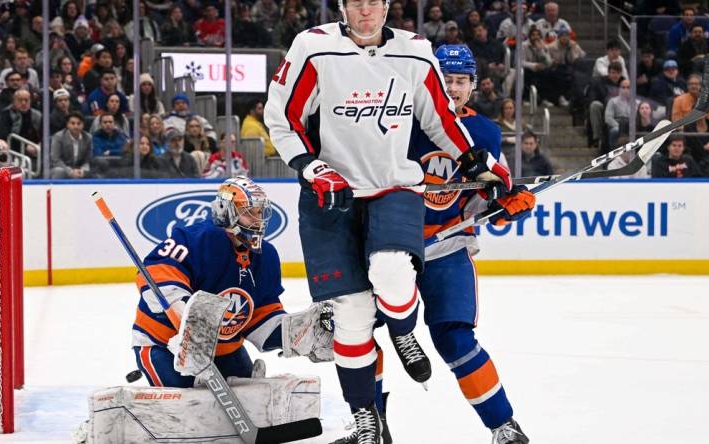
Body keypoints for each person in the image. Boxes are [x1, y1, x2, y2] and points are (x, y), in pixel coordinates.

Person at [264, 3, 511, 442]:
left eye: (374, 1)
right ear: (343, 5)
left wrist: (476, 162)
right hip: (331, 193)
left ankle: (402, 332)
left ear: (387, 5)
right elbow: (283, 117)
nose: (366, 10)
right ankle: (366, 421)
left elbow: (440, 117)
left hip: (393, 186)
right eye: (356, 1)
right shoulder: (314, 46)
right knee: (353, 316)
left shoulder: (414, 50)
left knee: (393, 269)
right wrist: (310, 166)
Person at [333, 43, 532, 444]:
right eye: (446, 80)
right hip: (387, 247)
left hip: (446, 250)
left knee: (455, 338)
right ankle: (371, 427)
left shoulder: (485, 133)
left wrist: (509, 203)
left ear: (473, 86)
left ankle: (504, 426)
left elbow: (486, 196)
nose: (453, 88)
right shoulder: (396, 121)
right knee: (361, 334)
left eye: (461, 81)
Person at [132, 176, 286, 387]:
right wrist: (186, 322)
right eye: (249, 212)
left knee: (249, 404)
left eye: (260, 212)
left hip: (225, 348)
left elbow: (261, 312)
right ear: (226, 211)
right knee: (186, 409)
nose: (258, 220)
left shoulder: (266, 255)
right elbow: (158, 274)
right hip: (165, 344)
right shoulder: (197, 238)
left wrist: (291, 334)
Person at [50, 111, 92, 179]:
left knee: (94, 171)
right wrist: (70, 171)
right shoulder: (58, 137)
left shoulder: (88, 138)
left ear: (83, 125)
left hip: (79, 170)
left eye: (79, 124)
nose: (76, 126)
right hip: (62, 168)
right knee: (59, 171)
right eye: (73, 123)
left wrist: (83, 170)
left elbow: (88, 160)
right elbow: (56, 160)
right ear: (67, 124)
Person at [604, 78, 635, 152]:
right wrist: (619, 126)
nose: (625, 90)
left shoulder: (636, 103)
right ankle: (612, 153)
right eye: (623, 87)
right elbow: (608, 118)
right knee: (615, 131)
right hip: (617, 125)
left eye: (628, 87)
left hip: (630, 126)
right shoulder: (612, 101)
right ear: (619, 89)